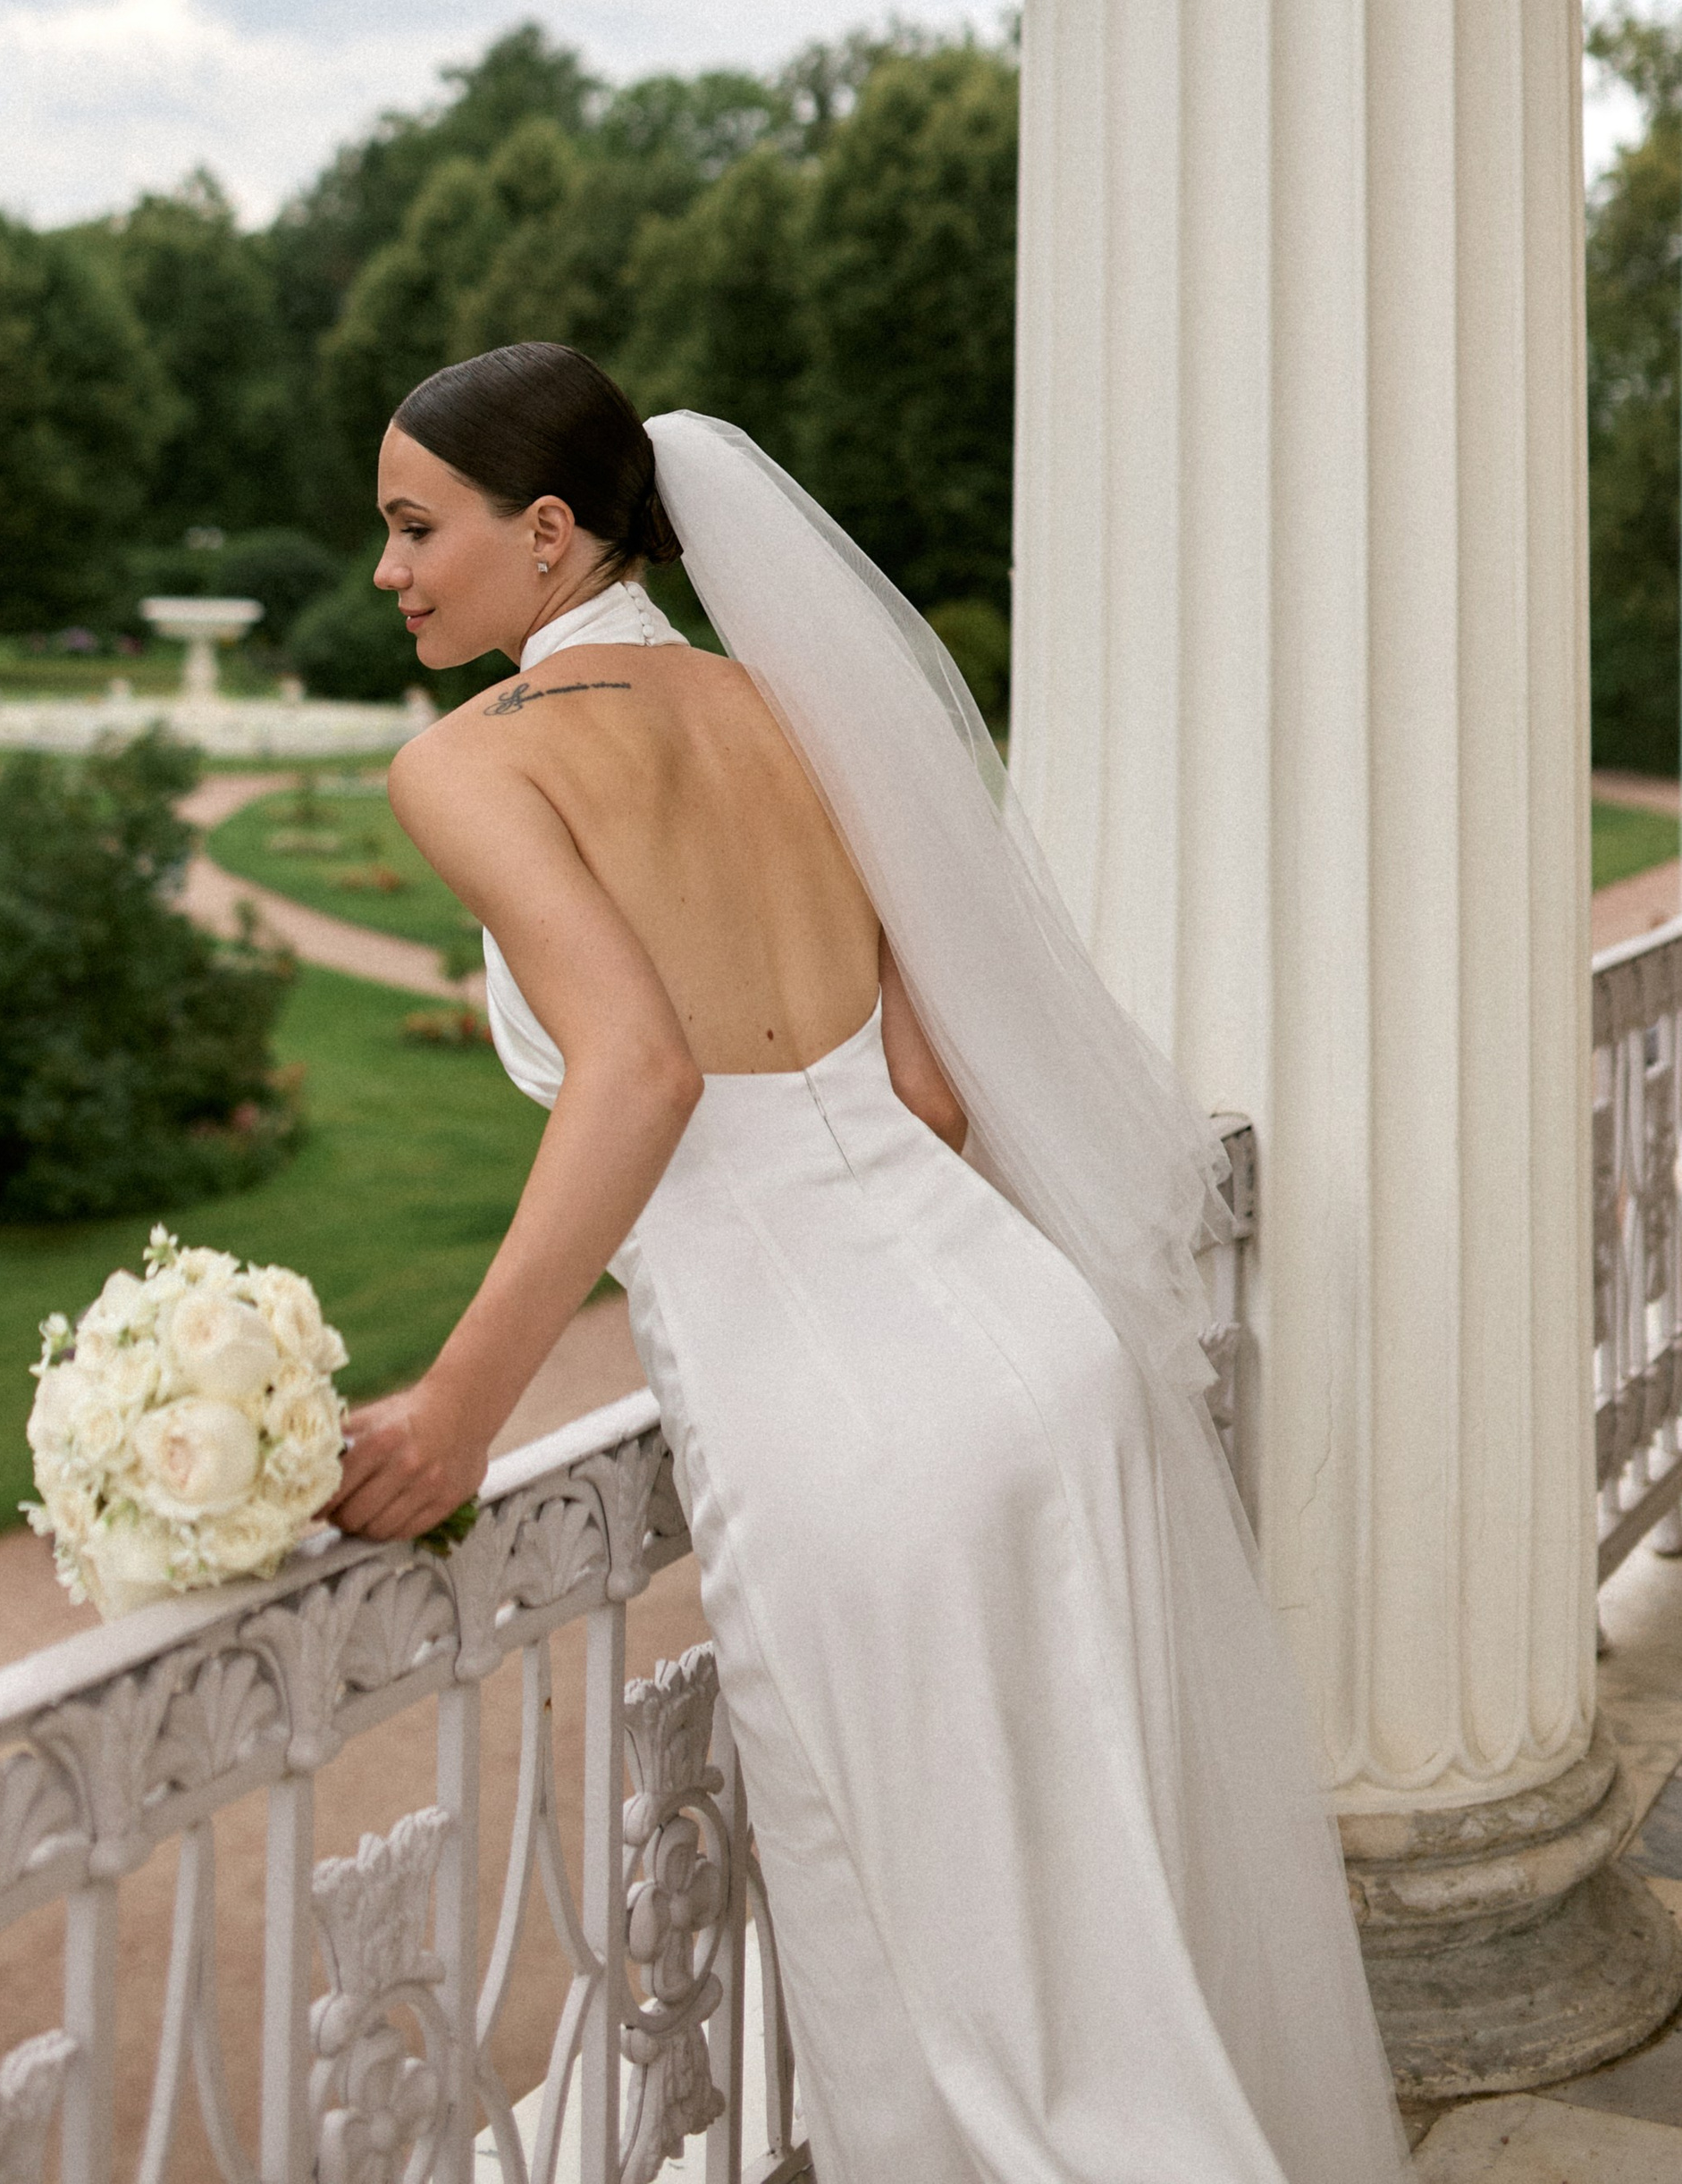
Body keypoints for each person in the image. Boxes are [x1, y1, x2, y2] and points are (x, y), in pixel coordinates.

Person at [325, 340, 1407, 2184]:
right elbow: (921, 1082)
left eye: (416, 527)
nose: (387, 572)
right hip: (1025, 1354)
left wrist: (458, 1405)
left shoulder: (470, 764)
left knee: (960, 2020)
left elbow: (641, 1071)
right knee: (1098, 1971)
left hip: (841, 1432)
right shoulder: (780, 701)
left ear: (553, 531)